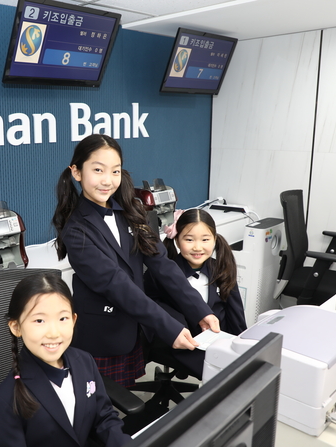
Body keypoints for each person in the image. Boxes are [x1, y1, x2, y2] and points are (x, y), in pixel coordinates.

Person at [51, 133, 220, 387]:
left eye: (115, 171)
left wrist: (200, 310)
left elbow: (162, 264)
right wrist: (168, 327)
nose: (107, 180)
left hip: (135, 327)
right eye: (98, 170)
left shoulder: (131, 211)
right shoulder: (76, 231)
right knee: (103, 404)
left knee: (126, 395)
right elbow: (116, 284)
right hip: (103, 336)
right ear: (76, 172)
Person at [0, 272, 131, 447]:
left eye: (63, 318)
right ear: (16, 327)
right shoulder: (3, 401)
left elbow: (104, 417)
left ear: (74, 320)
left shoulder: (85, 361)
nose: (54, 333)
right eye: (39, 320)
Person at [144, 208, 248, 378]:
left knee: (240, 371)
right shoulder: (163, 273)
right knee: (220, 376)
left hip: (215, 341)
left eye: (205, 239)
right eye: (189, 239)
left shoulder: (221, 269)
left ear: (214, 240)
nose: (197, 247)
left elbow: (235, 312)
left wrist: (241, 346)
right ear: (177, 241)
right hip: (179, 342)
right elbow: (150, 304)